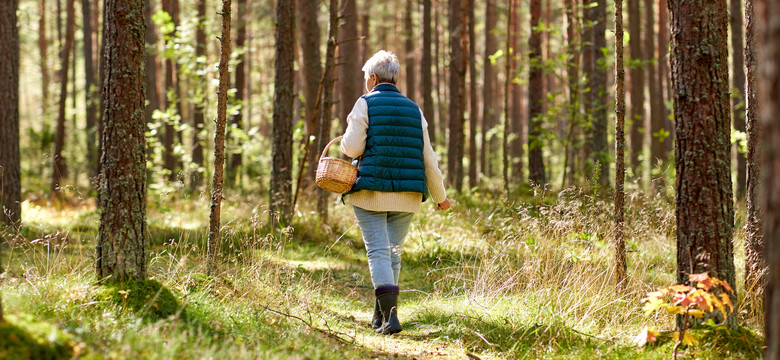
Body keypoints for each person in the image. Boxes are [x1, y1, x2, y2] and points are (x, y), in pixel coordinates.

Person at [340, 50, 450, 335]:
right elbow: (429, 158)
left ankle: (390, 319)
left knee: (378, 250)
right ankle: (381, 316)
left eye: (366, 77)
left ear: (373, 78)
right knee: (393, 252)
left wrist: (344, 146)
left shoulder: (365, 103)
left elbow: (352, 149)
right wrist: (440, 196)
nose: (366, 82)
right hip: (409, 194)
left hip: (371, 192)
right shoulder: (415, 109)